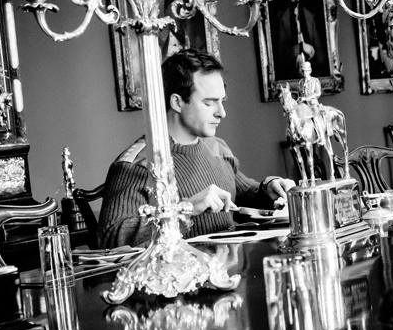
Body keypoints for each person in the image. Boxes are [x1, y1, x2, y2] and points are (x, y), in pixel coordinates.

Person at [98, 49, 295, 247]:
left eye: (221, 101)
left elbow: (242, 193)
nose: (222, 113)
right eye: (209, 103)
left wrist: (268, 188)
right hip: (178, 276)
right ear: (177, 102)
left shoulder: (217, 147)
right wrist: (187, 209)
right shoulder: (137, 164)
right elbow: (110, 236)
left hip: (228, 272)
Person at [276, 0, 325, 80]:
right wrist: (297, 49)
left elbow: (320, 54)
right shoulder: (283, 17)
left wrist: (309, 49)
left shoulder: (310, 15)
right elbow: (281, 55)